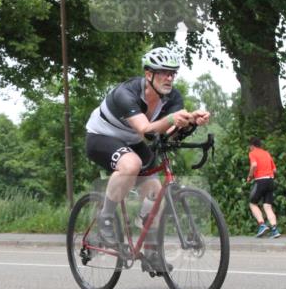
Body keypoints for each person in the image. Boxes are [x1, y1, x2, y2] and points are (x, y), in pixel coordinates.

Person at [84, 46, 210, 271]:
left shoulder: (173, 98)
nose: (169, 78)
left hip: (131, 139)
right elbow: (147, 130)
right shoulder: (127, 94)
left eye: (172, 73)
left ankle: (151, 252)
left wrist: (190, 122)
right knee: (131, 164)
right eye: (163, 72)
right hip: (101, 136)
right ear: (148, 74)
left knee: (155, 191)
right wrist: (172, 118)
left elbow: (168, 133)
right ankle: (105, 218)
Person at [246, 137, 281, 238]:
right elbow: (274, 170)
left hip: (261, 180)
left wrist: (249, 176)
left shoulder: (253, 153)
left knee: (252, 203)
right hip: (270, 180)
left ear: (252, 146)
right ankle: (274, 230)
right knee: (267, 206)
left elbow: (254, 165)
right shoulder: (266, 153)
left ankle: (262, 225)